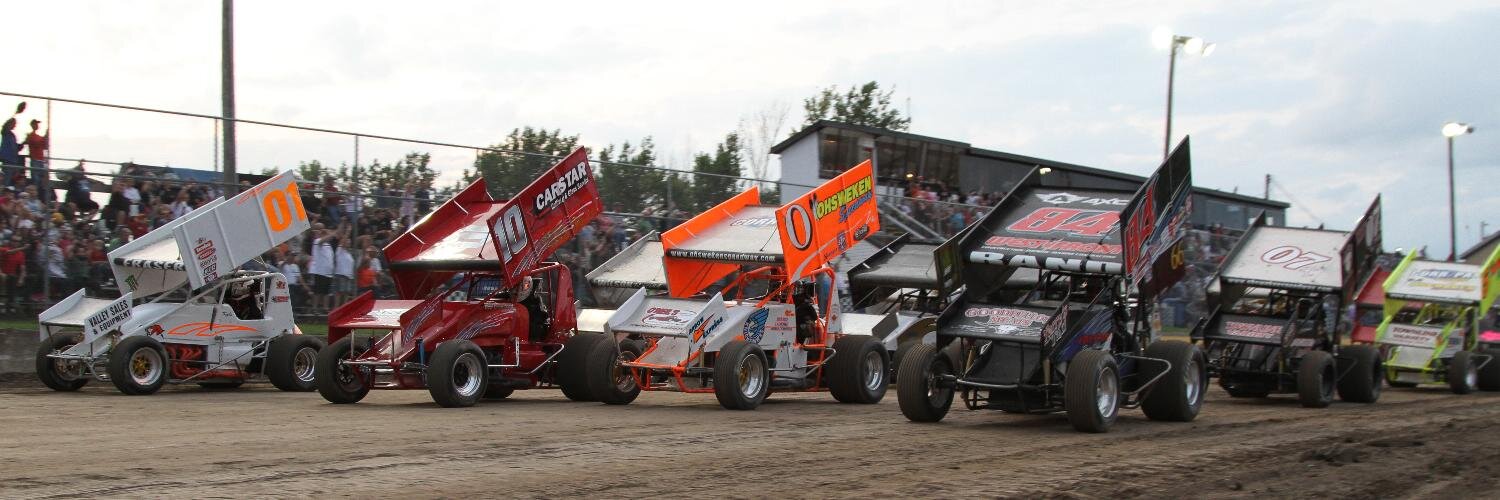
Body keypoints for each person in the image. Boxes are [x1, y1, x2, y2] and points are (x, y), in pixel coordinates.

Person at [22, 120, 49, 202]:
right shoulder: (31, 135)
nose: (37, 125)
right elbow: (37, 143)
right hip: (35, 160)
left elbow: (45, 146)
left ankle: (41, 198)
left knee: (42, 180)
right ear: (33, 125)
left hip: (41, 160)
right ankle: (35, 198)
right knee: (36, 180)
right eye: (36, 124)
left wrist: (46, 137)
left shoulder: (37, 136)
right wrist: (45, 136)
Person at [308, 233, 335, 312]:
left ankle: (325, 308)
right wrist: (334, 233)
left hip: (328, 273)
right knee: (317, 291)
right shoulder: (317, 241)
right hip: (319, 271)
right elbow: (321, 241)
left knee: (326, 292)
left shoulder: (329, 247)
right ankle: (314, 309)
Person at [0, 118, 22, 187]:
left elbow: (16, 148)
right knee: (7, 179)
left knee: (15, 179)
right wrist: (16, 113)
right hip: (7, 160)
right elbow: (5, 126)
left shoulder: (12, 135)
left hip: (14, 161)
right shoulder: (6, 133)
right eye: (14, 124)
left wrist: (24, 143)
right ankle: (4, 193)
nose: (15, 126)